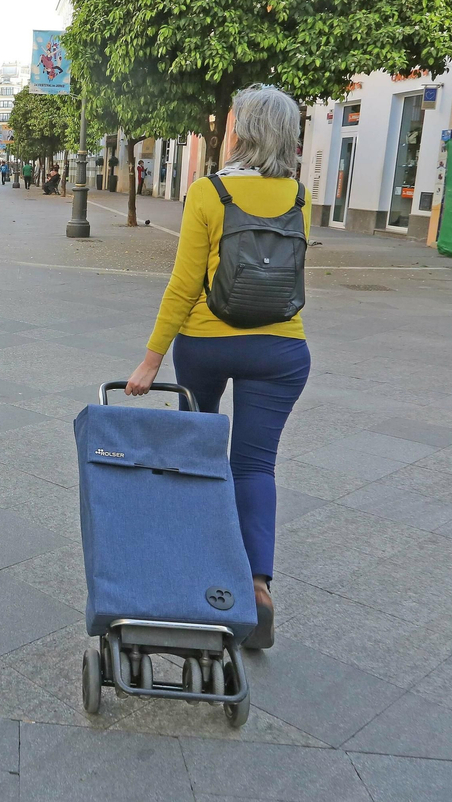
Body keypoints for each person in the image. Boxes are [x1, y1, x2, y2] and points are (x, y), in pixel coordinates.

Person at [123, 85, 311, 652]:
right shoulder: (299, 195)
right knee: (255, 466)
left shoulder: (208, 192)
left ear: (241, 131)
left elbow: (184, 286)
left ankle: (194, 570)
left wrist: (150, 361)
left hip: (205, 344)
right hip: (280, 349)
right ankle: (256, 586)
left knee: (197, 454)